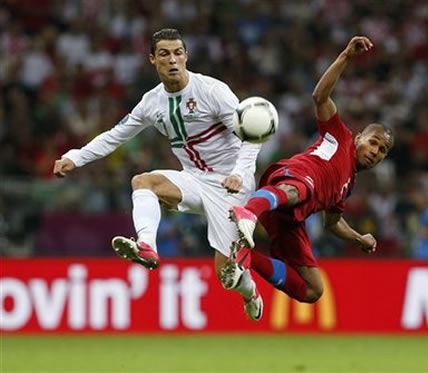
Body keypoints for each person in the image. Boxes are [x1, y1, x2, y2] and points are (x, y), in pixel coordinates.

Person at [53, 29, 264, 321]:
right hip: (193, 179)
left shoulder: (213, 91)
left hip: (231, 185)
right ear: (152, 59)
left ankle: (249, 291)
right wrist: (74, 157)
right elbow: (115, 136)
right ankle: (147, 246)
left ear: (186, 56)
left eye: (178, 52)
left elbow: (252, 135)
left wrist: (240, 173)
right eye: (164, 54)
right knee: (143, 182)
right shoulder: (152, 102)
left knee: (226, 276)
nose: (173, 60)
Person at [223, 36, 395, 306]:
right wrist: (346, 57)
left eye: (382, 151)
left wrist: (359, 238)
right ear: (360, 137)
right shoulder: (341, 136)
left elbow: (332, 223)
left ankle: (245, 256)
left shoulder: (346, 186)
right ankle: (249, 212)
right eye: (373, 143)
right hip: (292, 179)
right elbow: (319, 96)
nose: (375, 151)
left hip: (290, 218)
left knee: (313, 290)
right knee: (299, 190)